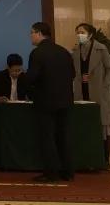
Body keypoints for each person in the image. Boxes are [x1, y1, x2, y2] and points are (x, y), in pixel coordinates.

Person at [27, 21, 76, 182]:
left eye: (32, 32)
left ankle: (51, 173)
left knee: (47, 137)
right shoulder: (64, 52)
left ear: (39, 33)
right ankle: (68, 172)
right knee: (64, 136)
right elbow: (73, 74)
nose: (30, 36)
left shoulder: (37, 53)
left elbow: (32, 77)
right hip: (66, 101)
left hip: (45, 101)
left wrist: (30, 90)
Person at [72, 22, 110, 167]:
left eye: (82, 32)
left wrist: (105, 85)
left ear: (90, 35)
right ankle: (86, 158)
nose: (79, 35)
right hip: (81, 92)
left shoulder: (101, 49)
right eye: (78, 32)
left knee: (103, 125)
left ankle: (105, 159)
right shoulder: (76, 50)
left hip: (98, 92)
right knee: (84, 125)